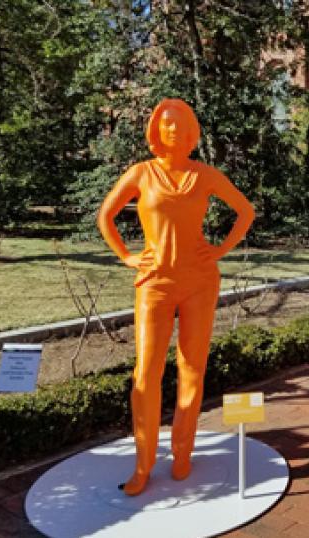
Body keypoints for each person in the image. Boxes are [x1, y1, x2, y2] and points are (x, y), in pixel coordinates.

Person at [97, 98, 255, 496]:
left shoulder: (204, 175)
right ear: (156, 131)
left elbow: (245, 211)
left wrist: (218, 250)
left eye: (180, 125)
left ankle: (182, 452)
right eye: (165, 124)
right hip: (154, 282)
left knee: (193, 370)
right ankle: (143, 464)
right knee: (146, 374)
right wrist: (127, 257)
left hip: (200, 280)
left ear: (190, 133)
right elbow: (105, 216)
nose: (172, 130)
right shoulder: (141, 173)